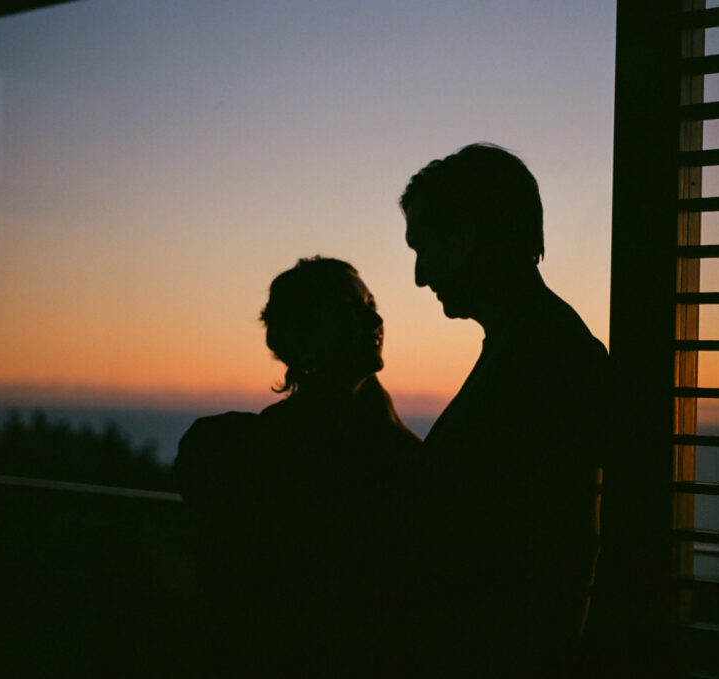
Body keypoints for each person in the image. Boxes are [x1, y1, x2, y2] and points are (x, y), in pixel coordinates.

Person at [396, 143, 608, 676]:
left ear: (466, 238)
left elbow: (554, 559)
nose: (421, 276)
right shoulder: (530, 343)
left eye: (425, 248)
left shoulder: (545, 356)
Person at [174, 256, 421, 677]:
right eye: (350, 306)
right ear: (305, 335)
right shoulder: (234, 449)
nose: (375, 317)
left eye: (372, 303)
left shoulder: (388, 450)